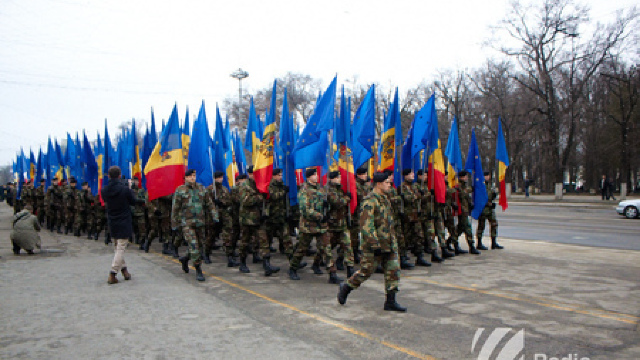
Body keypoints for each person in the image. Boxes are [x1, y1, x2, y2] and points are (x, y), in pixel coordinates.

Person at [337, 172, 406, 312]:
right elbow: (366, 226)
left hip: (389, 243)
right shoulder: (370, 201)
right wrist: (375, 244)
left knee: (393, 271)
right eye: (387, 182)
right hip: (374, 246)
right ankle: (347, 286)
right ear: (379, 184)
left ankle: (390, 301)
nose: (389, 185)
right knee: (366, 271)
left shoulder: (385, 199)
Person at [173, 169, 218, 282]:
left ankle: (185, 258)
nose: (192, 178)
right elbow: (175, 208)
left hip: (200, 222)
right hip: (187, 224)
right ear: (186, 178)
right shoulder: (180, 190)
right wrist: (174, 224)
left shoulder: (201, 188)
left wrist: (215, 216)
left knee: (199, 246)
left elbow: (209, 204)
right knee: (194, 246)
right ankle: (198, 269)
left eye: (194, 175)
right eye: (190, 176)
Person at [237, 166, 280, 276]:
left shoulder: (260, 184)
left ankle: (267, 265)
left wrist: (264, 212)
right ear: (249, 174)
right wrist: (260, 196)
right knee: (245, 242)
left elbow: (265, 202)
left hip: (259, 219)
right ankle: (242, 263)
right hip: (247, 219)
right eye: (253, 174)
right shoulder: (244, 186)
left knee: (264, 241)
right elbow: (246, 201)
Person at [288, 167, 326, 280]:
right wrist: (319, 215)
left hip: (319, 225)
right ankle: (293, 268)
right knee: (302, 249)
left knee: (323, 247)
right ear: (309, 177)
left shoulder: (320, 189)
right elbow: (305, 209)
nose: (317, 176)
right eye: (314, 175)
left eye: (316, 174)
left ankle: (316, 265)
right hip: (308, 225)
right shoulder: (304, 190)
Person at [101, 166, 134, 285]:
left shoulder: (104, 190)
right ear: (120, 175)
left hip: (112, 220)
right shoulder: (124, 189)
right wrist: (129, 188)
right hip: (124, 220)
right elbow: (133, 201)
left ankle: (124, 270)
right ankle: (113, 273)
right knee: (120, 248)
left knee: (117, 247)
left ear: (108, 176)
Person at [476, 172, 503, 250]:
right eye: (485, 176)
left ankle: (494, 242)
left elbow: (492, 195)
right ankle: (479, 243)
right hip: (483, 209)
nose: (487, 177)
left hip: (490, 210)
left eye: (488, 176)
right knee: (481, 226)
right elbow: (479, 198)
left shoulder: (491, 186)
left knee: (494, 224)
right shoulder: (480, 185)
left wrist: (494, 196)